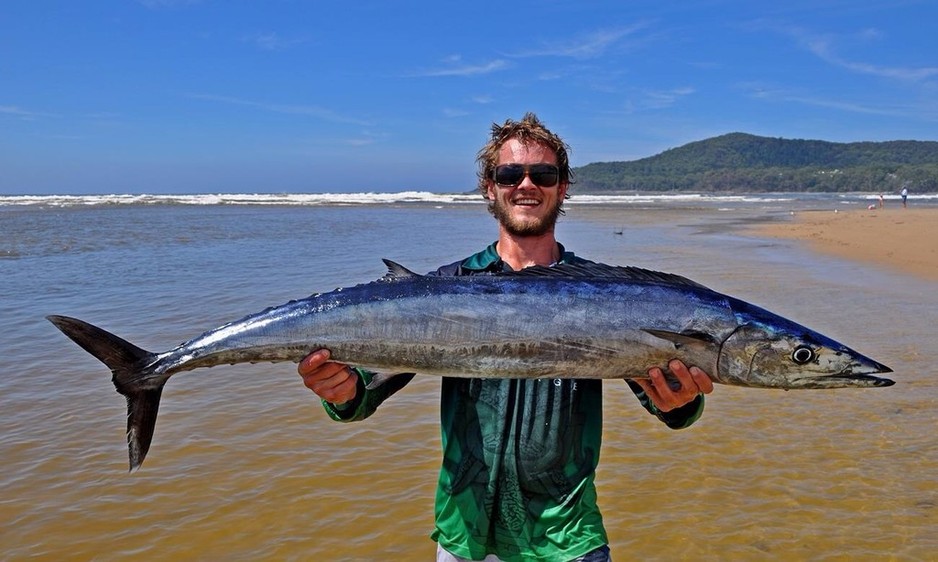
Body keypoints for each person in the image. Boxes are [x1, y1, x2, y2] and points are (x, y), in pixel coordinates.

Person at [297, 113, 714, 562]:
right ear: (489, 187)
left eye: (544, 174)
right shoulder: (445, 287)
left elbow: (666, 404)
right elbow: (364, 394)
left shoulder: (605, 295)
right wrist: (341, 393)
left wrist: (682, 401)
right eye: (510, 173)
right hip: (464, 538)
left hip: (567, 538)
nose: (526, 184)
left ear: (563, 186)